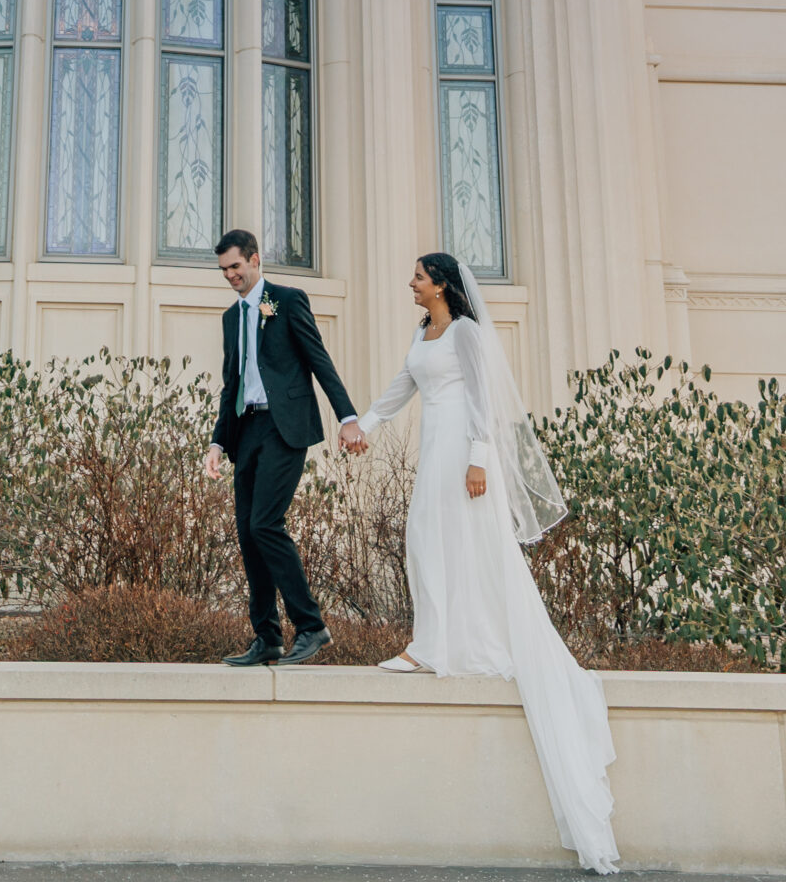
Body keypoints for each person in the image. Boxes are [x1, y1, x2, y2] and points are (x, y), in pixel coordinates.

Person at [354, 253, 620, 875]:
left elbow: (481, 398)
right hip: (433, 447)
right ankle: (434, 639)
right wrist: (361, 423)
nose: (411, 284)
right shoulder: (424, 333)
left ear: (442, 283)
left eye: (419, 275)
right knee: (426, 538)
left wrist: (479, 458)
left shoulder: (467, 333)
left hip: (464, 452)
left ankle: (441, 642)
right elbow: (402, 386)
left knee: (466, 545)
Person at [203, 225, 367, 666]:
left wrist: (348, 418)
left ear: (255, 260)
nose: (230, 276)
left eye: (235, 266)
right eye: (223, 270)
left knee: (264, 524)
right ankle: (268, 638)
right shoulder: (230, 317)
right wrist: (218, 442)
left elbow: (319, 360)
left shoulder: (288, 300)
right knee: (247, 533)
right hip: (246, 429)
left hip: (285, 426)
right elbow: (230, 384)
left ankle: (311, 626)